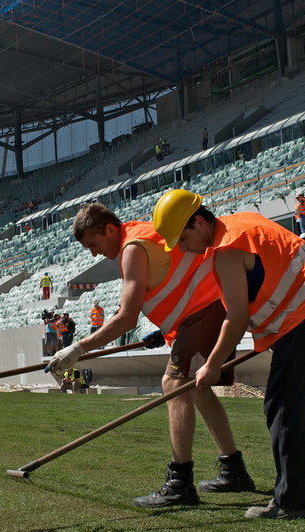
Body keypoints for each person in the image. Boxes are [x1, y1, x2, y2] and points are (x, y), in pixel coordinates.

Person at [153, 188, 305, 520]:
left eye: (182, 237)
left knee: (285, 408)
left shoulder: (225, 250)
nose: (183, 248)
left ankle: (293, 501)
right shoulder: (243, 222)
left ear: (199, 222)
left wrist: (213, 364)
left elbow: (237, 317)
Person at [45, 201, 256, 508]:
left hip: (204, 309)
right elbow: (168, 280)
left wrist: (77, 349)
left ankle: (179, 482)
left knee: (173, 383)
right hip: (208, 306)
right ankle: (233, 470)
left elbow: (127, 317)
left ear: (109, 228)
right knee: (195, 388)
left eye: (94, 244)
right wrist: (164, 327)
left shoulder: (132, 247)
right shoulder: (140, 234)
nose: (94, 253)